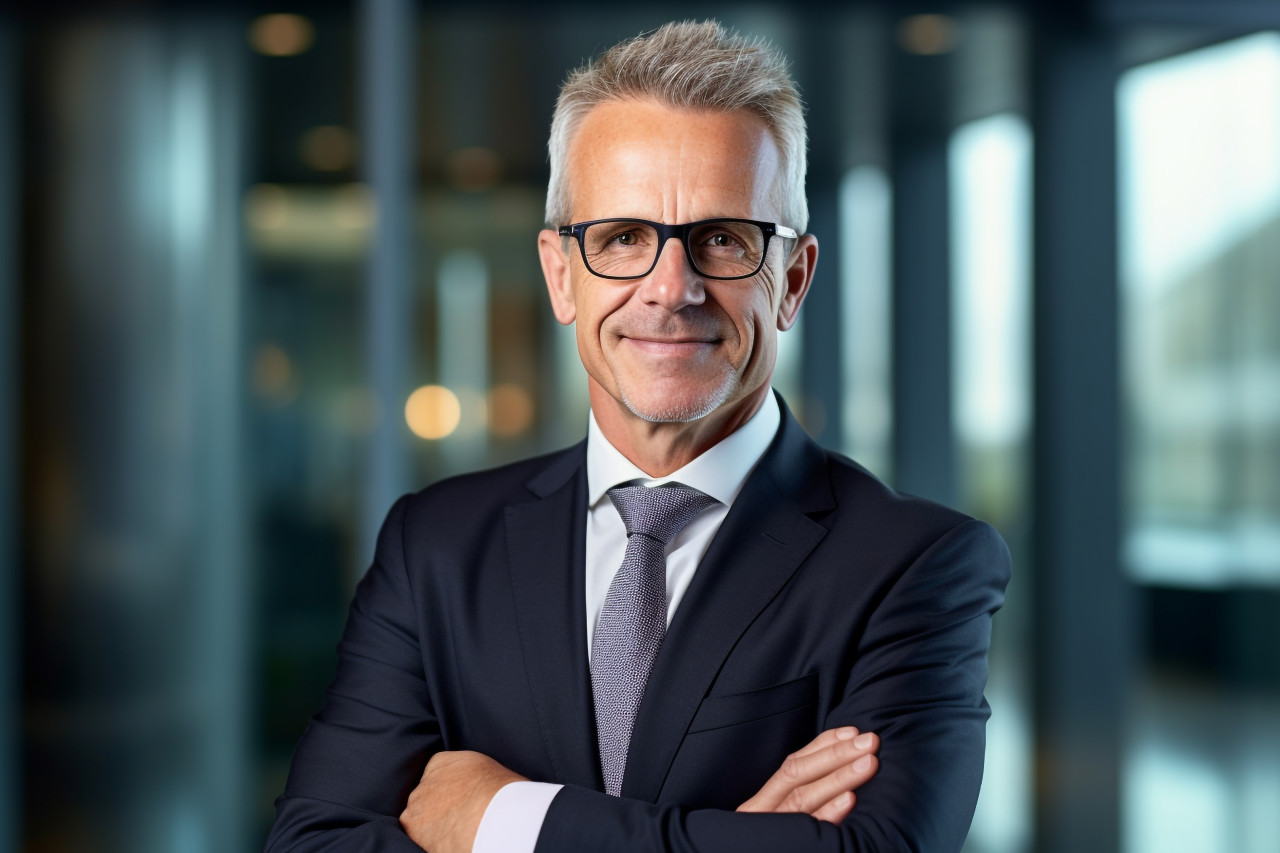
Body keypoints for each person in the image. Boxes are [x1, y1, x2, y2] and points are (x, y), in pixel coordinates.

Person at [265, 20, 1009, 853]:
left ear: (792, 281)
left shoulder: (916, 566)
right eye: (623, 238)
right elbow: (313, 843)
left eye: (723, 240)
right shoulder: (435, 545)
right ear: (560, 273)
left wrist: (508, 821)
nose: (670, 288)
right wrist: (729, 838)